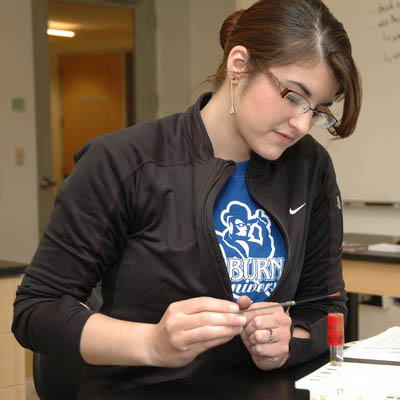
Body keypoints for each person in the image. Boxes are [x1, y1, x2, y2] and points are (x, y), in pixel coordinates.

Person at [12, 0, 362, 394]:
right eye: (294, 96)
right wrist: (153, 343)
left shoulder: (309, 167)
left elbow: (326, 305)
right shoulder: (125, 161)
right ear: (239, 64)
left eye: (317, 110)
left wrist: (290, 340)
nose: (302, 123)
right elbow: (37, 310)